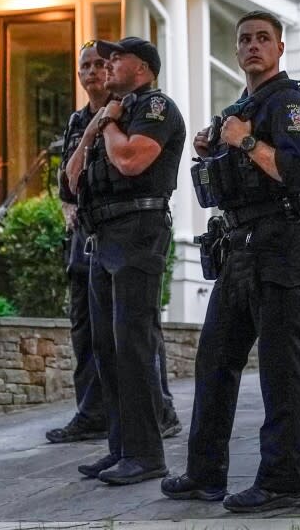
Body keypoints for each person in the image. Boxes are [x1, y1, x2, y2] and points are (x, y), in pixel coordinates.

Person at [161, 10, 300, 512]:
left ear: (278, 49)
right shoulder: (237, 108)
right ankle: (205, 474)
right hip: (237, 245)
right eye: (245, 40)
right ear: (237, 52)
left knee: (280, 368)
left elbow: (296, 173)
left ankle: (282, 483)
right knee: (214, 361)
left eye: (262, 39)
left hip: (278, 241)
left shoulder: (292, 105)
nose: (253, 46)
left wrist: (245, 142)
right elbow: (221, 182)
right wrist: (211, 148)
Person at [48, 41, 182, 445]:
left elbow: (130, 161)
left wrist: (106, 123)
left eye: (111, 60)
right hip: (95, 234)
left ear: (139, 68)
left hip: (136, 229)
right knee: (99, 338)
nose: (102, 68)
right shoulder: (86, 120)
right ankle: (115, 437)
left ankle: (152, 433)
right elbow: (70, 178)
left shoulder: (150, 108)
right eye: (89, 64)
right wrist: (94, 127)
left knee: (135, 339)